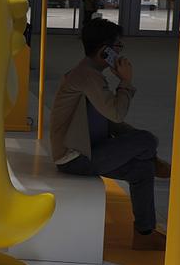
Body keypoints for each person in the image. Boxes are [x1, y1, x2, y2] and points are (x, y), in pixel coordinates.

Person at [50, 18, 170, 250]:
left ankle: (144, 234)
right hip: (76, 157)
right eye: (118, 47)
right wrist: (126, 81)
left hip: (87, 151)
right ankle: (152, 159)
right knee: (147, 141)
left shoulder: (88, 74)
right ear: (105, 51)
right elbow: (116, 114)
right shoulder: (87, 76)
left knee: (143, 167)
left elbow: (110, 123)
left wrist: (138, 140)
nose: (120, 53)